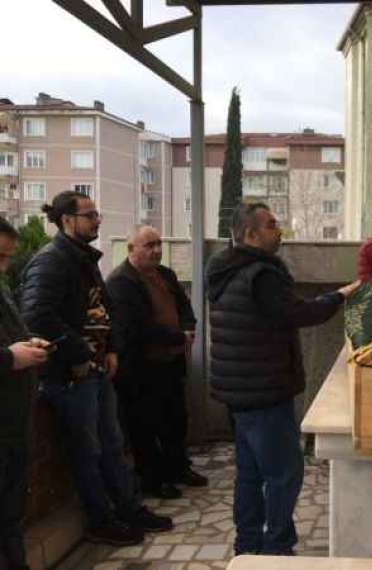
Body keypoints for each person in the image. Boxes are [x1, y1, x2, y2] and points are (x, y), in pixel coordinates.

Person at [205, 202, 359, 556]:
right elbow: (299, 313)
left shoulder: (225, 268)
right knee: (284, 473)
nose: (280, 231)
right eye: (272, 225)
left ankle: (247, 546)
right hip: (263, 391)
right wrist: (339, 295)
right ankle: (276, 549)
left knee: (249, 473)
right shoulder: (261, 273)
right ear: (250, 234)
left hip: (239, 391)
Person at [19, 191, 172, 546]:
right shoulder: (50, 262)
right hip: (70, 376)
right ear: (66, 220)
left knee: (112, 443)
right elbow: (36, 316)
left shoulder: (83, 259)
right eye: (89, 215)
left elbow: (105, 308)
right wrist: (80, 354)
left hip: (96, 370)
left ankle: (129, 509)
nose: (97, 220)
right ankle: (101, 520)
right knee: (87, 451)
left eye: (96, 214)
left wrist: (111, 349)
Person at [106, 225, 206, 500]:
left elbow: (185, 308)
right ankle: (153, 480)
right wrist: (178, 335)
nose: (156, 250)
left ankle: (178, 468)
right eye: (148, 245)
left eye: (158, 244)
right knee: (146, 426)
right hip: (142, 369)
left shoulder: (166, 274)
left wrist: (188, 328)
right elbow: (136, 328)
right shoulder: (120, 282)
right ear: (131, 249)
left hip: (171, 363)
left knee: (176, 420)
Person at [0, 217, 49, 570]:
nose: (5, 265)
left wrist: (25, 342)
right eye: (0, 256)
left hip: (13, 418)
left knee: (11, 509)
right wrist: (9, 357)